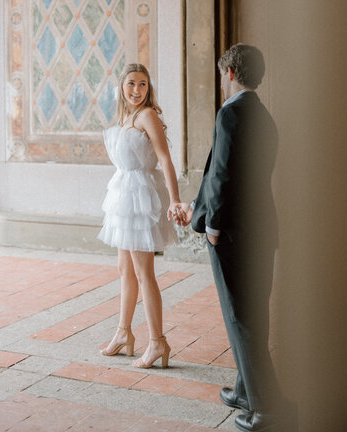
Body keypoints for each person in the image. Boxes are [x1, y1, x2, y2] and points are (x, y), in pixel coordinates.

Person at [174, 44, 283, 432]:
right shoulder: (264, 116)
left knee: (241, 318)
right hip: (260, 228)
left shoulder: (230, 113)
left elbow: (221, 176)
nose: (222, 81)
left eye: (223, 74)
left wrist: (213, 226)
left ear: (230, 73)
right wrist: (195, 205)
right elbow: (233, 175)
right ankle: (243, 389)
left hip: (234, 232)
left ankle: (266, 408)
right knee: (252, 313)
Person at [98, 63, 180, 369]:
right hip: (123, 195)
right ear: (121, 86)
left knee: (144, 272)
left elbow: (164, 158)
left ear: (149, 88)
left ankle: (158, 341)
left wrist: (174, 199)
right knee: (125, 269)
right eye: (131, 83)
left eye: (143, 84)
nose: (137, 90)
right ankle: (123, 333)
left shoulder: (147, 115)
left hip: (140, 197)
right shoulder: (125, 117)